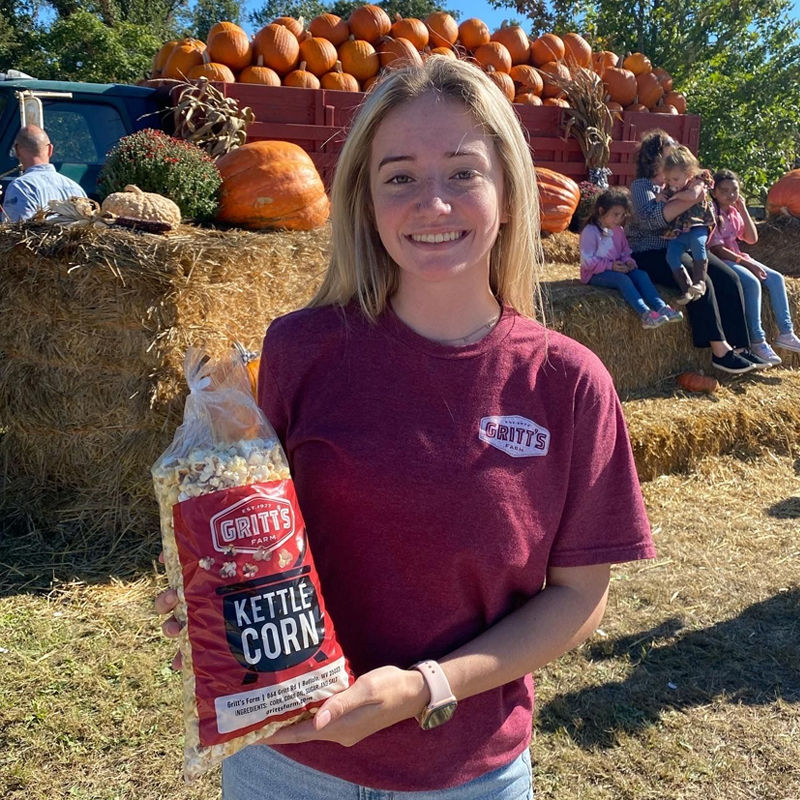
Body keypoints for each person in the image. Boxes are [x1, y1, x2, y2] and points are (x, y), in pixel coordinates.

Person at [156, 57, 656, 800]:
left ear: (511, 193)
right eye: (399, 178)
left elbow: (580, 596)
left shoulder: (568, 381)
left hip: (470, 776)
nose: (432, 203)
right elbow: (255, 526)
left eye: (462, 173)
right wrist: (214, 588)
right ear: (364, 199)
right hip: (288, 766)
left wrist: (429, 687)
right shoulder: (299, 348)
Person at [626, 129, 770, 374]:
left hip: (682, 242)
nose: (677, 152)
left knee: (728, 277)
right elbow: (653, 222)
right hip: (651, 251)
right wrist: (691, 198)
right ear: (656, 157)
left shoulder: (680, 182)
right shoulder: (642, 187)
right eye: (671, 149)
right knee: (700, 280)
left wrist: (691, 192)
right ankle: (719, 351)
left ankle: (741, 347)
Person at [709, 169, 800, 364]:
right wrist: (746, 263)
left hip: (739, 256)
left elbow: (752, 238)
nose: (730, 195)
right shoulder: (711, 212)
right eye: (724, 191)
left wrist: (742, 209)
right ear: (714, 192)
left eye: (734, 190)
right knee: (752, 283)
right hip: (722, 260)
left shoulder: (733, 212)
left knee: (776, 278)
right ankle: (757, 340)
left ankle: (786, 332)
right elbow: (716, 249)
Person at [580, 187, 683, 328]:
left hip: (616, 267)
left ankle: (662, 307)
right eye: (615, 214)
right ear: (601, 211)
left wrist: (628, 261)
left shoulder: (618, 231)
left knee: (641, 275)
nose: (619, 219)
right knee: (622, 279)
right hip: (594, 273)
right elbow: (587, 261)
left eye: (622, 215)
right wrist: (610, 266)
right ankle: (645, 314)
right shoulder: (590, 232)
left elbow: (625, 251)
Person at [658, 147, 716, 304]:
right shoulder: (673, 187)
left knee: (698, 244)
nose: (671, 183)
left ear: (689, 173)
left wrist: (675, 196)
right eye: (668, 179)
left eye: (675, 179)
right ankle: (686, 288)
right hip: (680, 230)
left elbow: (693, 195)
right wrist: (660, 196)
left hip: (698, 224)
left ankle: (700, 282)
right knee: (671, 254)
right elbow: (663, 196)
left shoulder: (697, 182)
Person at [0, 125, 87, 222]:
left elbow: (15, 232)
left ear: (17, 151)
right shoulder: (76, 189)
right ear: (50, 150)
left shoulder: (22, 187)